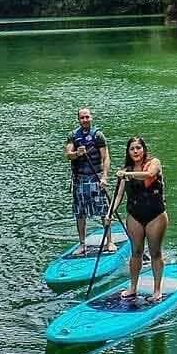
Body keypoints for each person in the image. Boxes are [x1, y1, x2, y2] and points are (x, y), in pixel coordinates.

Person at [108, 135, 168, 303]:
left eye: (138, 148)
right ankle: (132, 288)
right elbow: (119, 195)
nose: (136, 151)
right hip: (134, 215)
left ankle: (157, 290)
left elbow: (148, 174)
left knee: (155, 252)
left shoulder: (154, 163)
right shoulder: (125, 169)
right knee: (136, 253)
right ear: (128, 152)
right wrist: (110, 213)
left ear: (144, 149)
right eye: (132, 149)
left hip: (155, 215)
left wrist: (127, 174)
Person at [64, 107, 113, 255]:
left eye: (87, 117)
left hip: (95, 177)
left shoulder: (98, 135)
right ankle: (82, 244)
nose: (85, 120)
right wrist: (76, 154)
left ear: (91, 118)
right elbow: (68, 154)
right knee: (80, 213)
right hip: (80, 179)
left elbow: (106, 158)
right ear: (79, 120)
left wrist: (104, 177)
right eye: (82, 118)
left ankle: (109, 242)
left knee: (104, 210)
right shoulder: (73, 135)